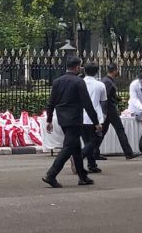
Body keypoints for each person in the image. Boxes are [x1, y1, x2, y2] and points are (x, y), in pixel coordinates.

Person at [42, 56, 101, 188]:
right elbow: (87, 104)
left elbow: (51, 102)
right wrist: (96, 122)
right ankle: (51, 174)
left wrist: (49, 120)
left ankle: (82, 176)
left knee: (75, 148)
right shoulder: (79, 82)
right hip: (75, 119)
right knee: (68, 147)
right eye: (80, 66)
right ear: (76, 67)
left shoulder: (57, 81)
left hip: (62, 119)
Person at [94, 63, 140, 160]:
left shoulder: (107, 80)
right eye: (117, 70)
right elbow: (105, 98)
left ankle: (94, 152)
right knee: (120, 130)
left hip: (108, 110)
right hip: (110, 110)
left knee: (102, 131)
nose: (118, 72)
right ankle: (128, 153)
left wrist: (119, 99)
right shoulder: (108, 82)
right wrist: (105, 112)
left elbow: (109, 96)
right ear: (114, 70)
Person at [79, 62, 107, 173]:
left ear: (84, 71)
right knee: (96, 140)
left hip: (81, 116)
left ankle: (91, 164)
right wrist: (104, 114)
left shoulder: (80, 83)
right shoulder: (100, 85)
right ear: (96, 72)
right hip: (96, 117)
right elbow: (103, 101)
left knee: (87, 141)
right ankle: (80, 156)